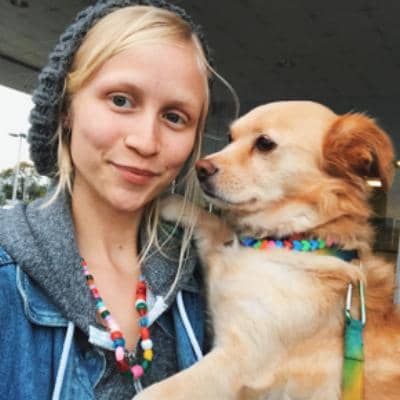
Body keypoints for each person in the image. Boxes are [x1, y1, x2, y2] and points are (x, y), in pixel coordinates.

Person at [0, 1, 229, 399]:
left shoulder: (203, 283)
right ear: (66, 108)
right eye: (120, 100)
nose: (145, 141)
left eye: (175, 117)